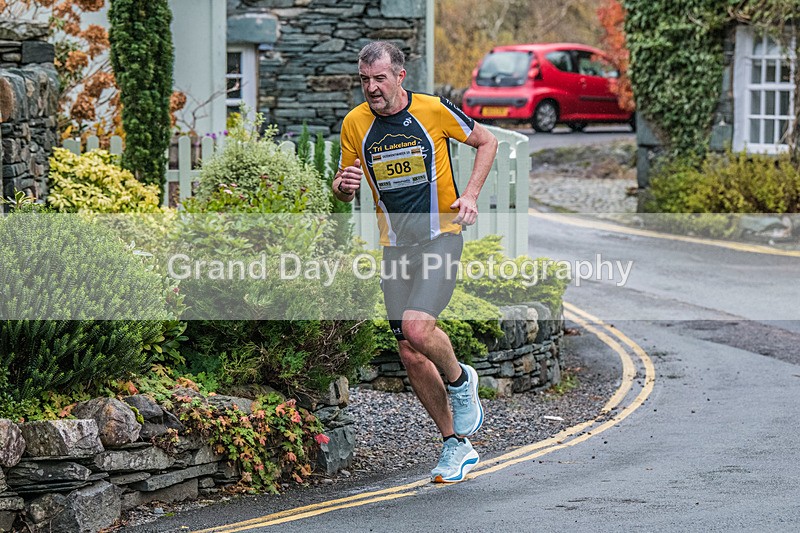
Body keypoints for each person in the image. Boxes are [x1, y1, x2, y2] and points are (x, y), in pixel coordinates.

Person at [333, 41, 498, 483]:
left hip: (440, 238)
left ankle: (461, 381)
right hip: (395, 248)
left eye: (379, 78)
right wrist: (343, 185)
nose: (371, 88)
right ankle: (455, 446)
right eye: (364, 79)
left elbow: (487, 140)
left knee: (417, 328)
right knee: (409, 352)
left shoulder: (432, 110)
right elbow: (345, 186)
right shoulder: (355, 124)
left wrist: (471, 194)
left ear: (399, 76)